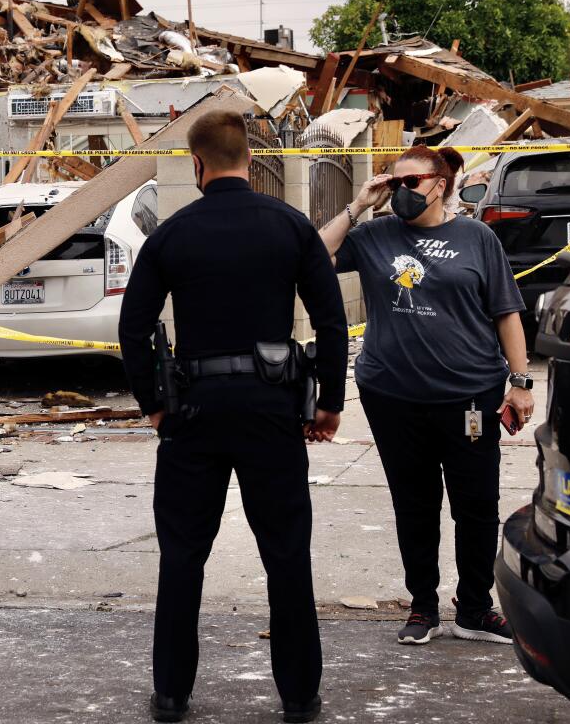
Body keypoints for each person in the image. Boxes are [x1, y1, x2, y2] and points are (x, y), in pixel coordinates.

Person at [118, 110, 349, 724]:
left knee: (183, 556)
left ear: (196, 165)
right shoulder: (291, 226)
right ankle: (299, 696)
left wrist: (154, 406)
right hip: (273, 413)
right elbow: (329, 320)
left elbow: (133, 326)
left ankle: (171, 693)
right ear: (249, 160)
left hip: (193, 415)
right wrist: (329, 401)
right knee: (286, 555)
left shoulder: (172, 234)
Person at [318, 144, 534, 648]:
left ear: (441, 184)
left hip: (470, 396)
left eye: (410, 183)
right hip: (392, 395)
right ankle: (423, 606)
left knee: (476, 505)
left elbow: (506, 313)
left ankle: (475, 609)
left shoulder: (477, 238)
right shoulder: (373, 235)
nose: (401, 193)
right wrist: (358, 205)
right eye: (394, 183)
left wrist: (520, 384)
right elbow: (314, 255)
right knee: (414, 503)